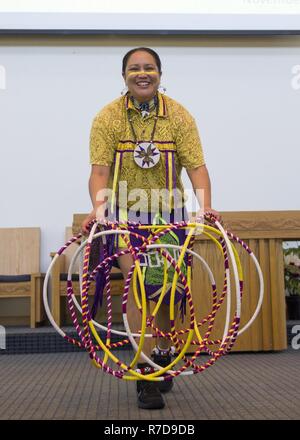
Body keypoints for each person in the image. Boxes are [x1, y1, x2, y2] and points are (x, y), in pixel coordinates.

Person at [82, 47, 220, 410]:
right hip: (125, 217)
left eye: (149, 68)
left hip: (169, 216)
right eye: (134, 68)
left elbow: (197, 168)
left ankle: (162, 352)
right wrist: (100, 212)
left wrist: (205, 208)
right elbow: (99, 173)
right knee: (138, 287)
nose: (142, 74)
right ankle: (145, 373)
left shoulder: (179, 116)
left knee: (164, 291)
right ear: (123, 75)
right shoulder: (108, 117)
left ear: (160, 73)